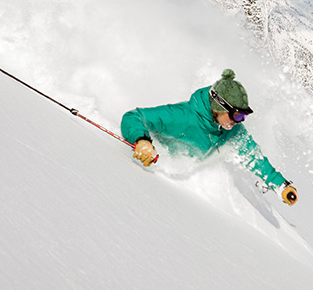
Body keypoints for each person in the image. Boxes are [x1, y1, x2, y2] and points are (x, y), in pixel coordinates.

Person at [121, 69, 298, 205]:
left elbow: (253, 157)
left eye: (243, 117)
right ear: (219, 106)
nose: (239, 122)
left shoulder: (231, 130)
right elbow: (133, 116)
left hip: (187, 194)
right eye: (236, 116)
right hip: (155, 183)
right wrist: (142, 140)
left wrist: (281, 186)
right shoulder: (182, 116)